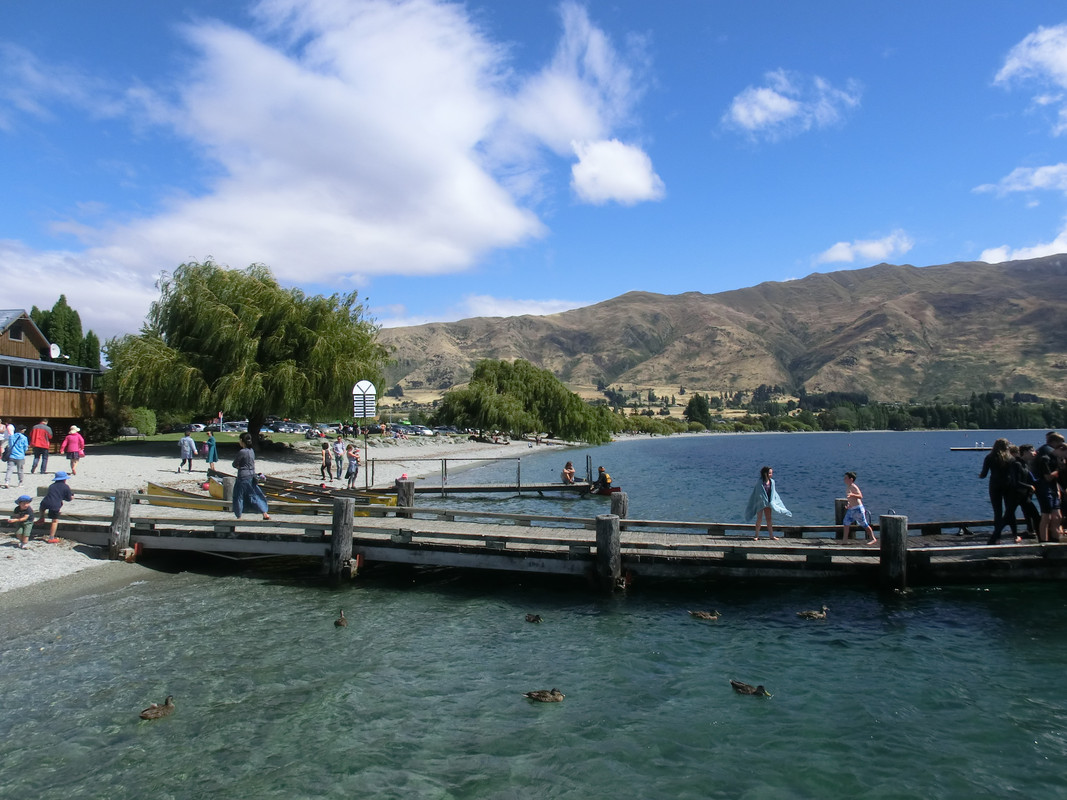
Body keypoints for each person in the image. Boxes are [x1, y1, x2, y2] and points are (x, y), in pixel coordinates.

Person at [979, 438, 1015, 543]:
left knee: (997, 512)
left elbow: (984, 474)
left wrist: (980, 476)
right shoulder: (1011, 458)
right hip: (1008, 485)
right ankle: (1015, 535)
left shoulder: (989, 457)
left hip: (994, 485)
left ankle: (997, 537)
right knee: (1010, 511)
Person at [745, 465, 791, 541]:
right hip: (760, 502)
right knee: (759, 519)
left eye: (771, 473)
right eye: (769, 473)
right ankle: (756, 535)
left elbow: (773, 493)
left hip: (769, 503)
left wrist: (772, 501)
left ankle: (771, 535)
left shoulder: (772, 482)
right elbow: (757, 493)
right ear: (765, 473)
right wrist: (762, 500)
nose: (771, 475)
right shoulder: (760, 482)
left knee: (769, 519)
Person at [1032, 431, 1063, 543]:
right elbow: (1048, 477)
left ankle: (1055, 540)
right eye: (1060, 443)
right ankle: (1044, 542)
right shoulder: (1046, 455)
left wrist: (1058, 488)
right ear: (1054, 442)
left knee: (1057, 517)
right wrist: (1060, 470)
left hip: (1052, 487)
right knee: (1047, 516)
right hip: (1043, 487)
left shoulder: (1052, 453)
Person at [232, 432, 270, 520]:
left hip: (243, 476)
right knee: (254, 494)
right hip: (252, 475)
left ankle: (239, 515)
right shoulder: (251, 451)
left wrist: (239, 466)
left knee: (239, 496)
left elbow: (235, 464)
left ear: (242, 440)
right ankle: (264, 512)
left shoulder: (242, 452)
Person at [842, 471, 877, 545]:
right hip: (852, 509)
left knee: (864, 524)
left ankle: (873, 538)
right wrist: (849, 504)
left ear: (851, 479)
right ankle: (844, 540)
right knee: (846, 522)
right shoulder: (848, 487)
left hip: (858, 509)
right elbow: (850, 499)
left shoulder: (853, 486)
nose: (844, 479)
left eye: (846, 478)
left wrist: (852, 494)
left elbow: (860, 496)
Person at [38, 470, 73, 543]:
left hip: (45, 502)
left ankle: (41, 518)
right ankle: (51, 538)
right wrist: (72, 497)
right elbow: (68, 499)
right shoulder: (66, 487)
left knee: (42, 508)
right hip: (55, 505)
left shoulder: (52, 485)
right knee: (54, 521)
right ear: (64, 479)